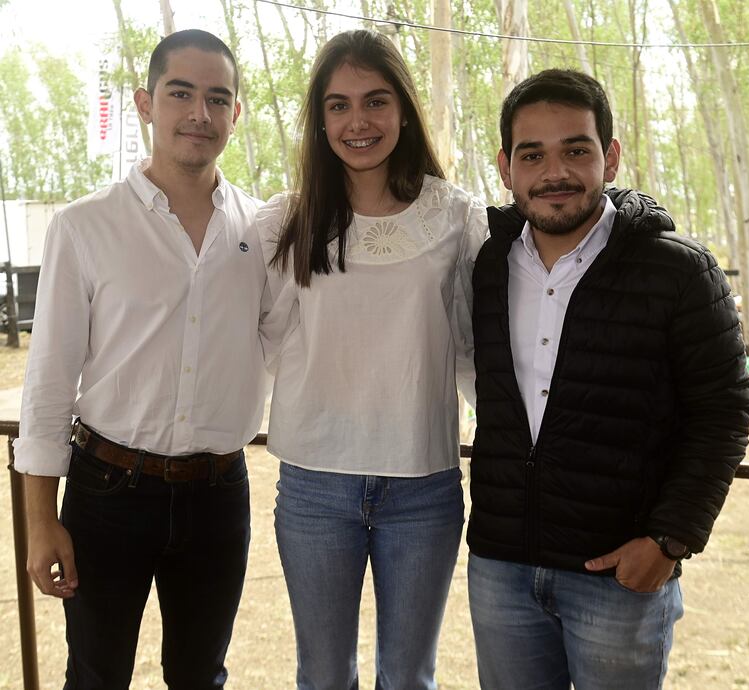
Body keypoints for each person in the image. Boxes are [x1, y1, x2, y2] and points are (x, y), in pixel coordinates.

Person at [467, 68, 749, 690]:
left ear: (611, 156)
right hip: (502, 568)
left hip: (618, 574)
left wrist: (670, 538)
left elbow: (724, 411)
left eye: (577, 149)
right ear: (505, 167)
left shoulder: (677, 269)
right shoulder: (487, 265)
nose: (555, 172)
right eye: (532, 154)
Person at [15, 29, 270, 689]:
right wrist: (41, 520)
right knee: (96, 678)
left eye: (218, 99)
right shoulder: (85, 226)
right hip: (107, 492)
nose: (199, 114)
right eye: (180, 93)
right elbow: (46, 384)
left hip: (220, 495)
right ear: (145, 103)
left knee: (200, 677)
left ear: (236, 114)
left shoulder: (262, 231)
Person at [258, 29, 487, 690]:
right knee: (323, 676)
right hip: (313, 484)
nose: (357, 121)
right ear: (319, 118)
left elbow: (472, 350)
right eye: (338, 105)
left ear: (405, 109)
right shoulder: (286, 222)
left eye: (375, 100)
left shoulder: (458, 220)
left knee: (409, 679)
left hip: (424, 483)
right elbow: (264, 339)